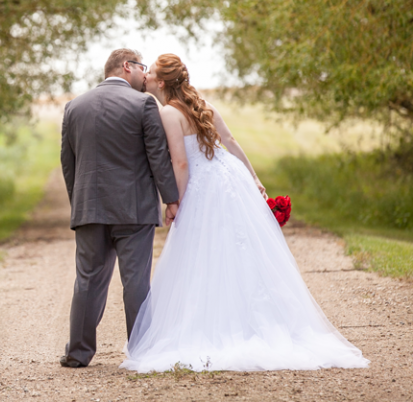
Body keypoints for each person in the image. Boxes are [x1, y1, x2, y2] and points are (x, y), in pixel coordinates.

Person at [121, 53, 369, 372]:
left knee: (205, 254)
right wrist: (254, 178)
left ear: (162, 82)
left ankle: (220, 326)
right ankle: (256, 321)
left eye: (152, 74)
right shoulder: (203, 105)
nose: (147, 78)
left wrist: (175, 203)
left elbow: (180, 163)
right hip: (230, 178)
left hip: (203, 188)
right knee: (242, 250)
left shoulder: (169, 113)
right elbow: (231, 141)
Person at [59, 48, 180, 368]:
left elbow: (68, 164)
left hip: (89, 208)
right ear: (127, 67)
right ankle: (142, 353)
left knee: (87, 280)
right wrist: (172, 198)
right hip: (134, 208)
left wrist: (80, 203)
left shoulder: (74, 107)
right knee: (136, 281)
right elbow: (158, 156)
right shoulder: (143, 104)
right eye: (143, 68)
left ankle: (78, 353)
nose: (146, 75)